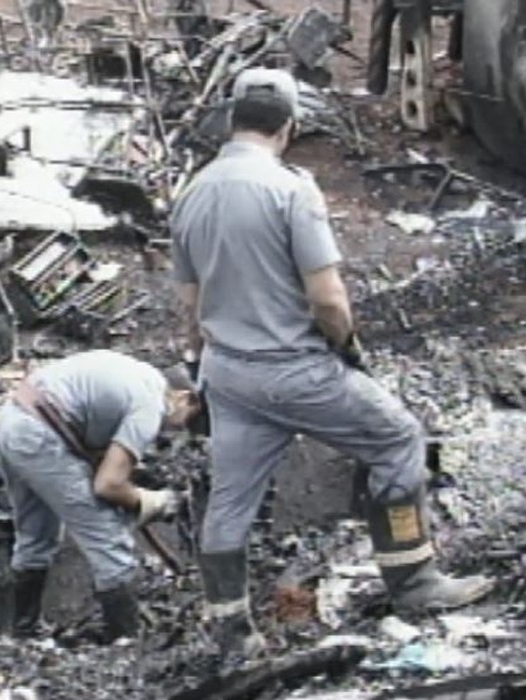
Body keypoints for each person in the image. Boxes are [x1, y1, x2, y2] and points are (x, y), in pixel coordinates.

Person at [170, 68, 494, 659]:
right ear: (289, 126)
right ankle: (414, 582)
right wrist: (347, 347)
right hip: (294, 369)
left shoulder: (190, 194)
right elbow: (327, 299)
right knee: (398, 439)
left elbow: (189, 308)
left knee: (230, 502)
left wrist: (198, 370)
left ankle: (232, 633)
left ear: (232, 118)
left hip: (228, 374)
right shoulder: (291, 190)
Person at [0, 350, 201, 641]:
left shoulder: (140, 375)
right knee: (109, 540)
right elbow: (107, 485)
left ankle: (24, 632)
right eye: (189, 420)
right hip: (40, 434)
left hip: (12, 421)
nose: (180, 430)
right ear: (184, 397)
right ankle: (126, 640)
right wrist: (153, 501)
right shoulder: (152, 405)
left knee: (36, 535)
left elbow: (92, 434)